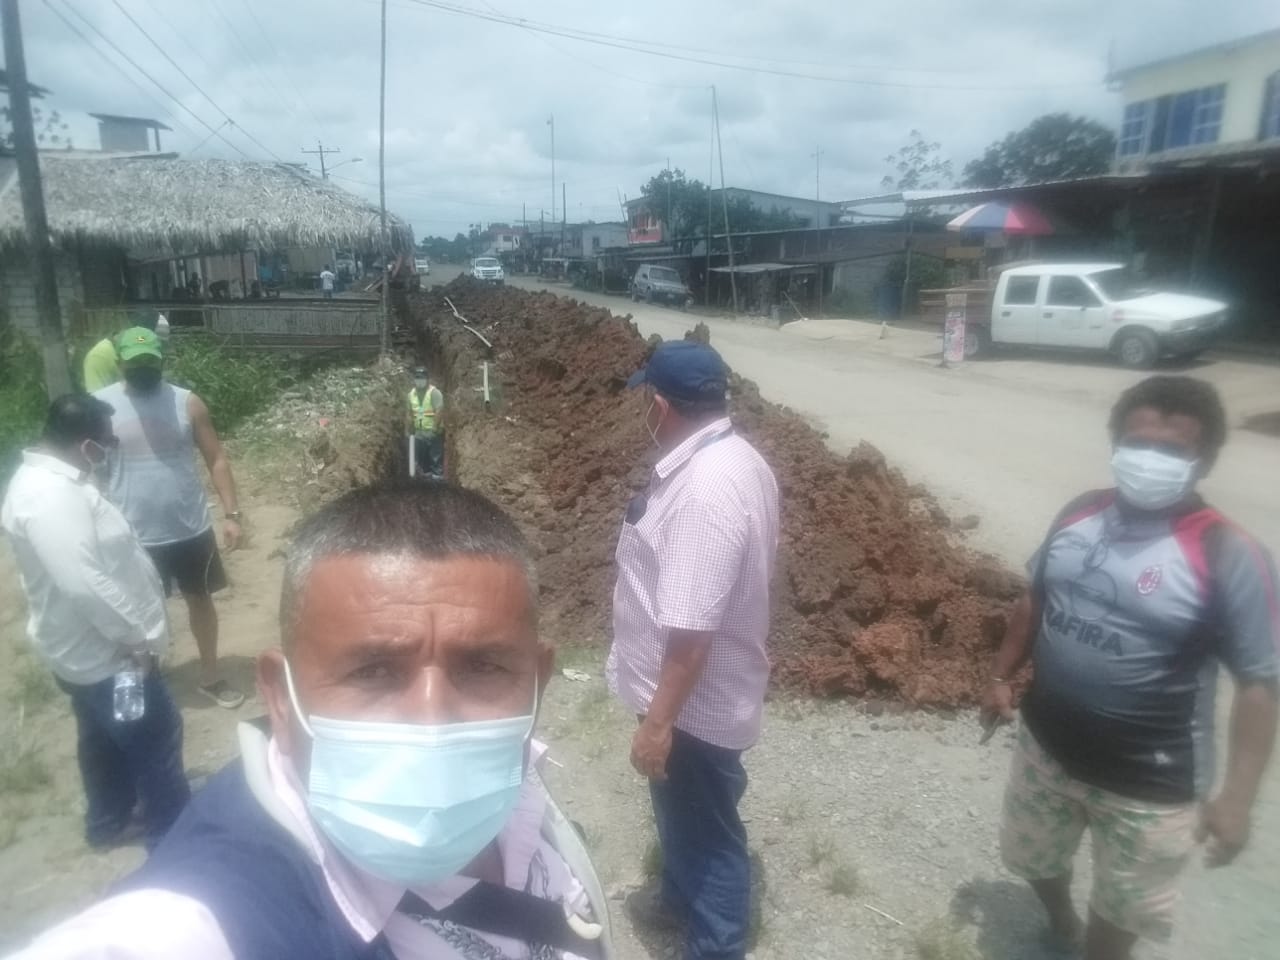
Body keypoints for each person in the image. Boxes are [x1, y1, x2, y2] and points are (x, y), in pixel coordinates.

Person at [10, 483, 612, 960]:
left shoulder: (519, 783)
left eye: (482, 666)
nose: (432, 720)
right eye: (374, 670)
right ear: (279, 694)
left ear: (537, 682)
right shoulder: (205, 922)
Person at [982, 375, 1279, 960]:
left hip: (1151, 782)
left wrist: (1237, 799)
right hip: (1047, 748)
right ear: (1116, 443)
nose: (1150, 459)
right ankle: (1061, 921)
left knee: (1125, 906)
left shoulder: (1228, 553)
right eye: (1138, 443)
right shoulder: (1080, 514)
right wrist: (998, 677)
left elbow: (1258, 685)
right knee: (1030, 857)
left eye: (1172, 450)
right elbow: (1035, 597)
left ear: (1203, 461)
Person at [608, 340, 779, 960]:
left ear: (660, 405)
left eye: (645, 402)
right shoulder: (737, 458)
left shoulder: (703, 493)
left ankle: (715, 945)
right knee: (681, 811)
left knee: (709, 832)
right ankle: (679, 899)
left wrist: (658, 724)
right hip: (693, 699)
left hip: (692, 709)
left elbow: (691, 633)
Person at [1, 395, 190, 851]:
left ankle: (109, 821)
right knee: (154, 739)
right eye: (106, 443)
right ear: (86, 445)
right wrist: (136, 640)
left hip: (87, 653)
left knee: (101, 739)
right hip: (113, 659)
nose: (109, 451)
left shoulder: (49, 483)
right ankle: (173, 834)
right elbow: (84, 583)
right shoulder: (50, 497)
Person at [94, 327, 245, 709]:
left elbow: (217, 459)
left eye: (150, 361)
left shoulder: (187, 402)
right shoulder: (100, 406)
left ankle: (210, 676)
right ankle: (141, 686)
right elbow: (88, 468)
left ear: (161, 360)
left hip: (188, 527)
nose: (143, 368)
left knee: (201, 601)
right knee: (132, 613)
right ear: (119, 363)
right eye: (135, 363)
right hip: (129, 533)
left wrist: (232, 514)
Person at [82, 314, 168, 394]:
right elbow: (97, 397)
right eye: (134, 361)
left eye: (150, 360)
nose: (143, 366)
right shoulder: (99, 356)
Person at [407, 365, 445, 480]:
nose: (420, 381)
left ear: (427, 379)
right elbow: (409, 413)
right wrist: (409, 429)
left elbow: (439, 411)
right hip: (419, 433)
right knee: (422, 461)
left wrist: (434, 429)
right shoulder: (411, 395)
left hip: (433, 433)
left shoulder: (434, 393)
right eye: (417, 378)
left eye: (422, 378)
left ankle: (437, 479)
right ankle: (424, 480)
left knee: (435, 458)